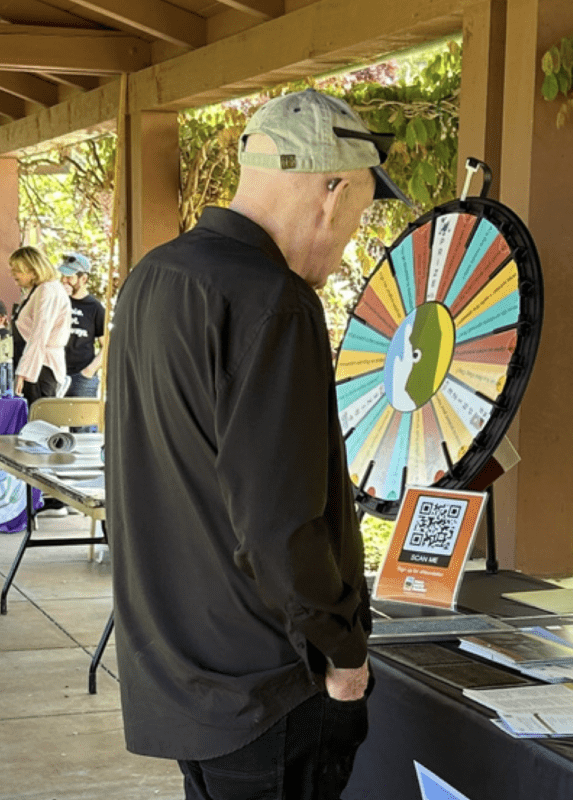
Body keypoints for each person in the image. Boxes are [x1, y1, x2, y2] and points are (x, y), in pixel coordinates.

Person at [106, 89, 410, 800]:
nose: (345, 247)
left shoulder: (152, 278)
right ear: (330, 192)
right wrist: (343, 652)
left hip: (179, 669)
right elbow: (281, 523)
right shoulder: (274, 301)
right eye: (359, 217)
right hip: (269, 687)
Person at [8, 246, 71, 405]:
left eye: (17, 270)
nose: (13, 274)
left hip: (40, 368)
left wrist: (23, 373)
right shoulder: (37, 290)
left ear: (33, 270)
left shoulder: (47, 290)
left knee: (38, 423)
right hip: (35, 365)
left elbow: (39, 334)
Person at [58, 252, 105, 403]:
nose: (64, 281)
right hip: (57, 373)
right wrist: (61, 300)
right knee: (50, 424)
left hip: (82, 377)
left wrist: (89, 371)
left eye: (70, 277)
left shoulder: (96, 308)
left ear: (83, 279)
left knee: (82, 424)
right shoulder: (57, 302)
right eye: (63, 276)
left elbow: (107, 345)